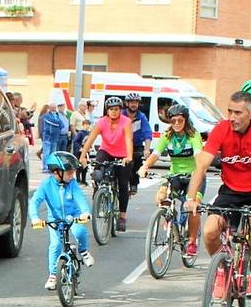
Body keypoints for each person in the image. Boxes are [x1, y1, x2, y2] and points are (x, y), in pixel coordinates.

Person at [183, 91, 251, 297]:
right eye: (229, 111)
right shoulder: (221, 129)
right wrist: (191, 198)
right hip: (230, 191)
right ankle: (222, 269)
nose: (232, 117)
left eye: (238, 113)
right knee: (209, 231)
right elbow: (202, 166)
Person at [140, 104, 203, 257]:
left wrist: (198, 171)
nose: (176, 124)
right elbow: (156, 153)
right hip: (174, 175)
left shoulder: (194, 135)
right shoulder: (167, 136)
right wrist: (145, 166)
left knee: (193, 207)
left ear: (185, 120)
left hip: (193, 176)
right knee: (161, 197)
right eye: (173, 120)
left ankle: (192, 242)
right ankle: (170, 218)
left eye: (179, 120)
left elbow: (199, 158)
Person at [30, 151, 95, 290]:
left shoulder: (72, 184)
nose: (72, 176)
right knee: (55, 246)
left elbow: (80, 198)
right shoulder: (46, 185)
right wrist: (35, 218)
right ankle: (53, 275)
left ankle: (83, 251)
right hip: (55, 220)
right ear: (57, 172)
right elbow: (35, 201)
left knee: (80, 232)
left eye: (73, 172)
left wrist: (85, 213)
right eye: (69, 172)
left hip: (73, 217)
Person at [79, 96, 134, 230]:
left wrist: (129, 156)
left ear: (120, 110)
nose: (114, 112)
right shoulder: (102, 122)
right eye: (111, 109)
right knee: (98, 169)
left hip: (122, 154)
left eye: (116, 109)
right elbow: (91, 139)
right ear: (107, 110)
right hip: (106, 151)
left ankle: (122, 216)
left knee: (122, 185)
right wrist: (82, 156)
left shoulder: (126, 122)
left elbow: (128, 140)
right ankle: (98, 190)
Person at [123, 92, 152, 195]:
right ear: (127, 103)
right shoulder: (121, 115)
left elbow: (147, 133)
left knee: (136, 163)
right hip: (122, 145)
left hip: (136, 146)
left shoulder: (141, 117)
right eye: (131, 102)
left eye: (136, 102)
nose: (133, 104)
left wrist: (147, 149)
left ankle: (133, 184)